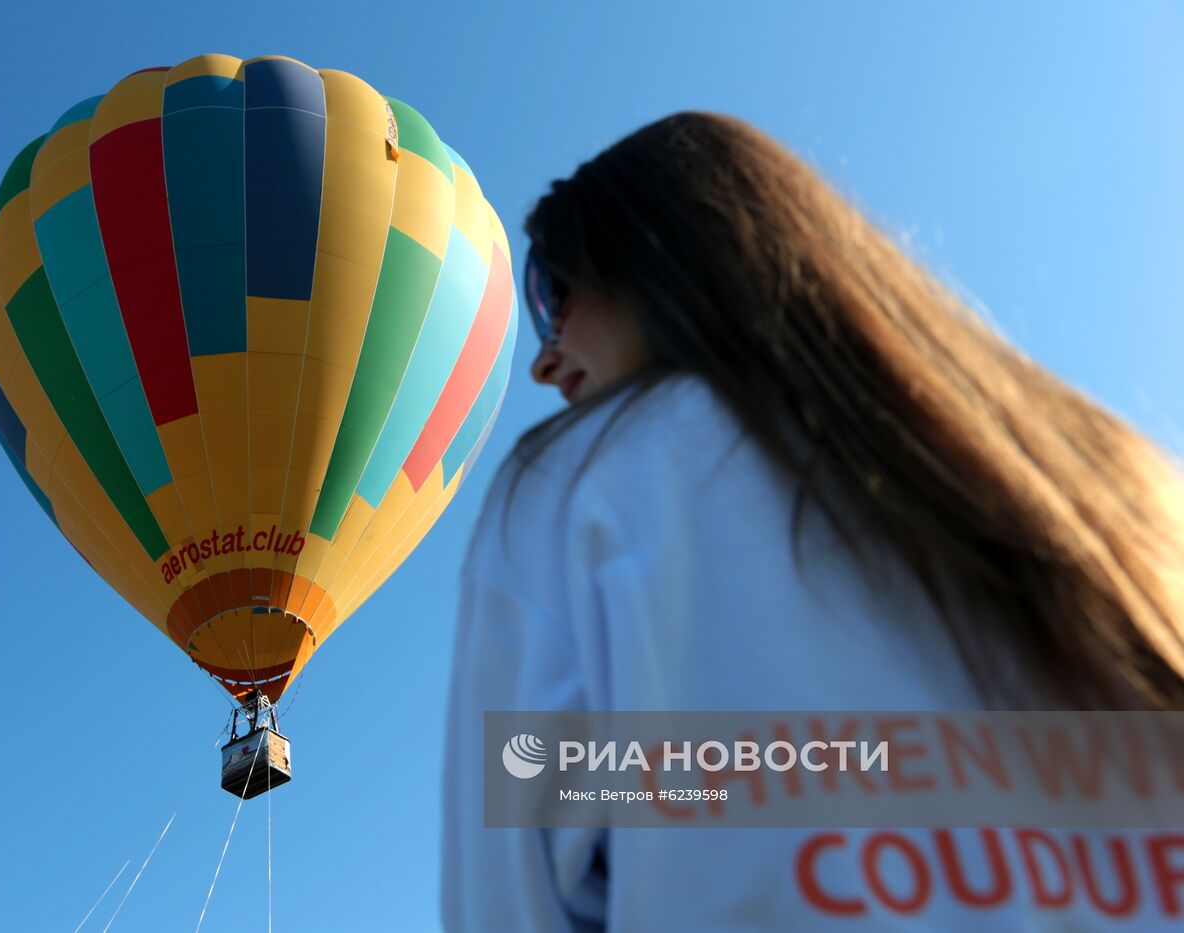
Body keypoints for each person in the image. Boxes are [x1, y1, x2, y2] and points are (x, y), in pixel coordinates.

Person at [440, 111, 1184, 930]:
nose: (543, 359)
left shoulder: (580, 484)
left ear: (661, 249)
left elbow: (513, 900)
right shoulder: (1116, 479)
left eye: (553, 292)